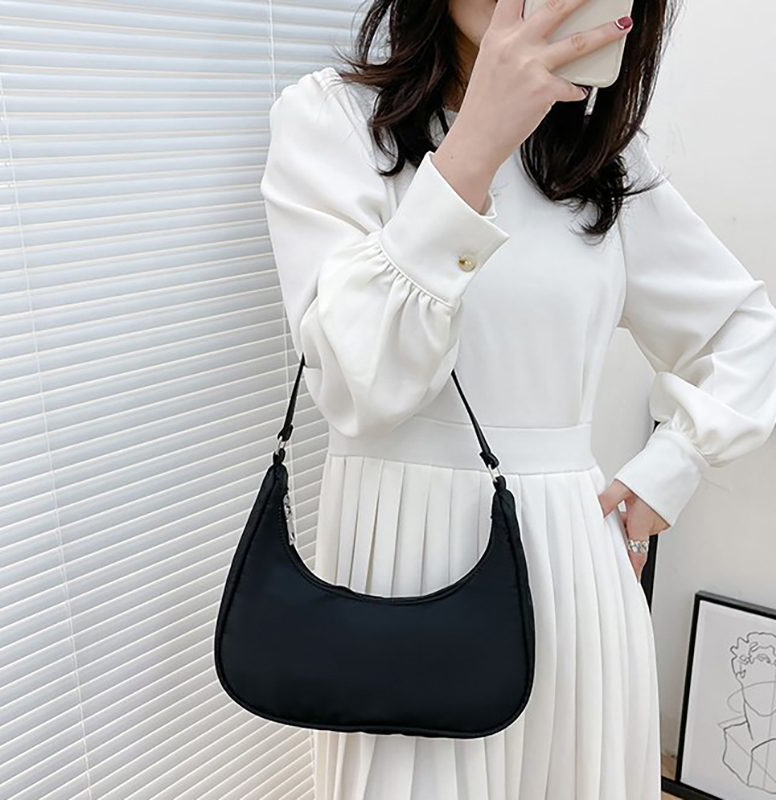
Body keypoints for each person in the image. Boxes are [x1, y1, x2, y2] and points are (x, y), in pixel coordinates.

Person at [259, 0, 776, 796]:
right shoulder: (334, 121)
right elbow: (362, 387)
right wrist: (475, 145)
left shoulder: (602, 158)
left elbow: (745, 331)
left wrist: (671, 468)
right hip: (394, 572)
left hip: (568, 568)